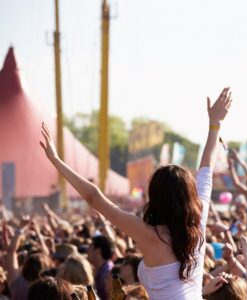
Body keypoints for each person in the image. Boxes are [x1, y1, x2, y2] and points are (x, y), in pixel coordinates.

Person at [40, 87, 233, 299]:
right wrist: (215, 124)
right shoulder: (199, 220)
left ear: (155, 197)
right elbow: (207, 168)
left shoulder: (150, 234)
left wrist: (57, 161)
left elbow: (95, 198)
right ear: (189, 195)